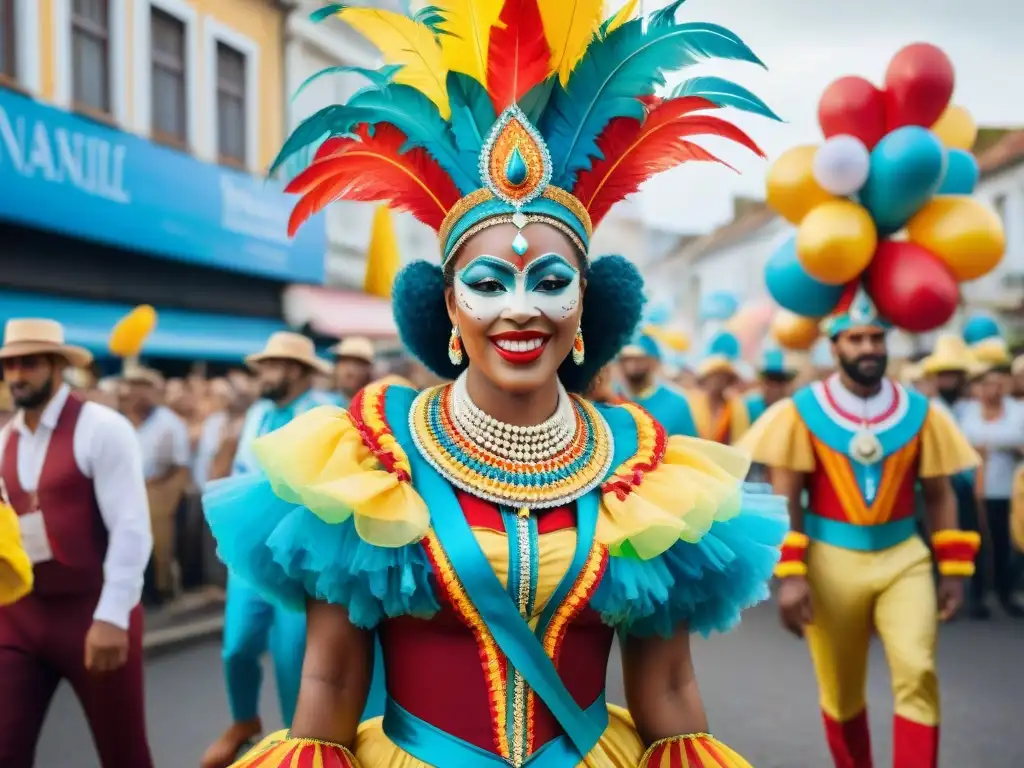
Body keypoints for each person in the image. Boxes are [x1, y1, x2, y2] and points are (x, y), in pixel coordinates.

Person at [203, 2, 785, 765]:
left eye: (549, 281)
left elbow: (669, 690)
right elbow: (330, 677)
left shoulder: (647, 474)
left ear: (584, 305)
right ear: (449, 305)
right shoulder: (367, 461)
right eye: (487, 282)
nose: (521, 309)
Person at [738, 288, 980, 768]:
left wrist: (953, 570)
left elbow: (938, 494)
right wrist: (791, 576)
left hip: (904, 558)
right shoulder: (801, 412)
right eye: (856, 339)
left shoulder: (921, 412)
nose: (868, 348)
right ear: (834, 347)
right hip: (830, 562)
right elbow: (787, 498)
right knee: (841, 691)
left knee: (917, 671)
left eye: (876, 337)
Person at [0, 319, 154, 767]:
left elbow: (131, 528)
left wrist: (112, 616)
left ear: (57, 366)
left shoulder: (103, 428)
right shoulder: (5, 438)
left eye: (28, 363)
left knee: (123, 754)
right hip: (21, 616)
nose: (16, 375)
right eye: (9, 364)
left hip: (93, 612)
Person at [202, 332, 352, 768]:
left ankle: (299, 749)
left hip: (299, 561)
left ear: (297, 371)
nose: (263, 373)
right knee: (236, 647)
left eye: (272, 365)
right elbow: (239, 477)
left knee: (293, 661)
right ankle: (244, 720)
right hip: (251, 559)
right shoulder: (257, 412)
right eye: (262, 365)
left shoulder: (327, 414)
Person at [959, 363, 1024, 619]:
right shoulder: (969, 412)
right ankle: (976, 596)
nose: (992, 390)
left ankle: (1005, 593)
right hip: (975, 489)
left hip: (1009, 490)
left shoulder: (1017, 411)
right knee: (976, 544)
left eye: (998, 384)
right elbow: (963, 441)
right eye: (987, 384)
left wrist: (990, 443)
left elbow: (1018, 440)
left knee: (1005, 544)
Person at [122, 365, 191, 605]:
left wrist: (159, 487)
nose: (135, 394)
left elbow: (179, 465)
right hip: (131, 491)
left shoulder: (169, 423)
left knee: (160, 546)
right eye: (132, 388)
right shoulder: (127, 421)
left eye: (142, 388)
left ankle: (163, 593)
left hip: (160, 490)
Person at [618, 331, 699, 436]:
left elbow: (688, 448)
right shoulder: (610, 401)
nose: (632, 365)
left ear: (654, 362)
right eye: (627, 359)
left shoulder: (676, 404)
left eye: (639, 359)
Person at [731, 345, 796, 440]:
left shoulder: (793, 409)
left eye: (780, 380)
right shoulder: (747, 407)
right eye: (770, 379)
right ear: (761, 382)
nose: (775, 387)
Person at [692, 330, 744, 444]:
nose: (717, 382)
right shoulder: (692, 403)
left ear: (728, 381)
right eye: (713, 377)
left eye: (721, 377)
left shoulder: (735, 407)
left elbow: (739, 440)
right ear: (705, 379)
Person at [331, 336, 376, 405]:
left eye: (357, 364)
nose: (350, 370)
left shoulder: (375, 406)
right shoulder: (323, 405)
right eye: (345, 362)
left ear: (368, 370)